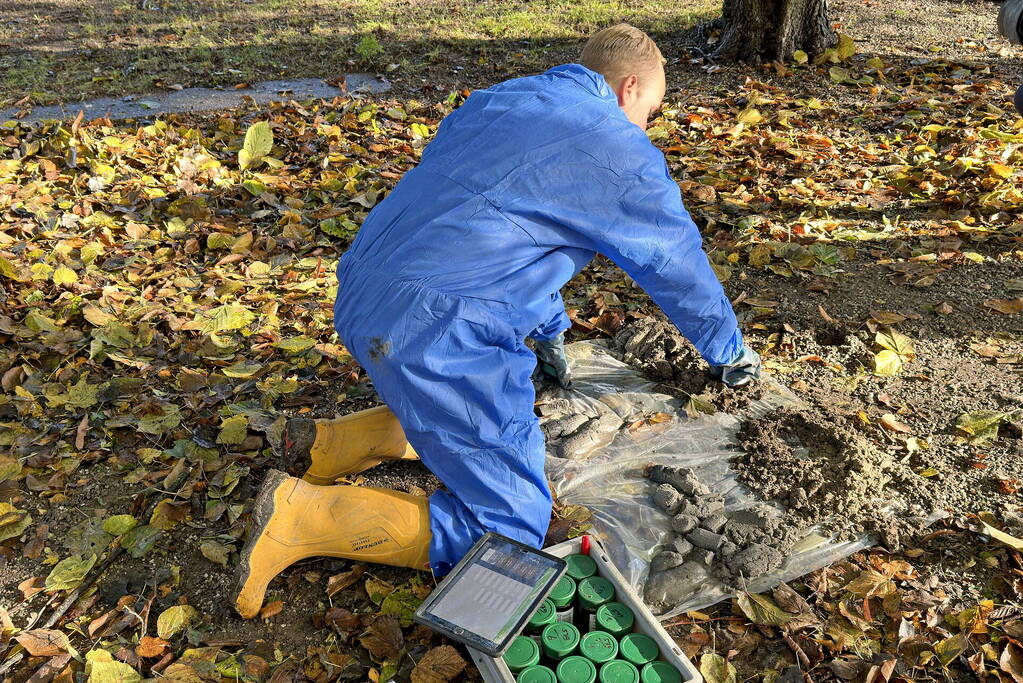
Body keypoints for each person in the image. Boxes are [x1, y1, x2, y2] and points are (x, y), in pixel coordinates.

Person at [234, 23, 761, 619]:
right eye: (650, 110)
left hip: (363, 288)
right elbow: (674, 263)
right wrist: (729, 351)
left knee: (457, 401)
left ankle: (332, 445)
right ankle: (302, 517)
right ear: (629, 88)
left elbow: (496, 231)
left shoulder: (499, 100)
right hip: (437, 330)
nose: (646, 125)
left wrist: (548, 329)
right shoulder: (617, 146)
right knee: (511, 523)